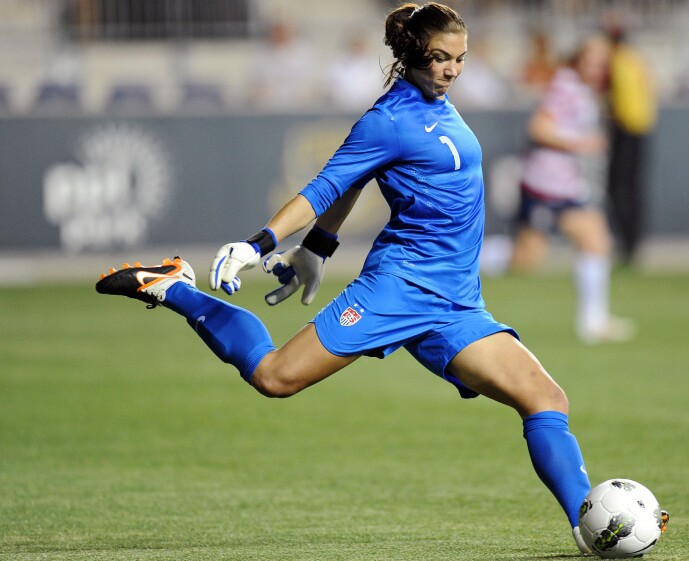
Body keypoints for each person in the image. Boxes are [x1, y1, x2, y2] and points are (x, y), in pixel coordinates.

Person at [95, 3, 607, 555]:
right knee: (274, 377)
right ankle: (175, 287)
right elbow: (324, 185)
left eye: (460, 58)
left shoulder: (439, 102)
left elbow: (357, 185)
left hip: (458, 303)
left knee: (546, 399)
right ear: (412, 55)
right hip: (399, 290)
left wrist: (318, 247)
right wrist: (258, 243)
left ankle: (589, 529)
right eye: (440, 58)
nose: (452, 70)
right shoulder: (387, 120)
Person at [509, 36, 634, 345]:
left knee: (595, 240)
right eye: (591, 60)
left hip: (566, 185)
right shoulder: (565, 87)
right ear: (578, 59)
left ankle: (593, 322)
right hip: (548, 184)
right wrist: (581, 144)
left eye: (602, 62)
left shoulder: (583, 90)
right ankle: (458, 254)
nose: (597, 67)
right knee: (523, 260)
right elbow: (539, 127)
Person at [603, 17, 657, 265]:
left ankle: (628, 244)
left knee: (619, 189)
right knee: (632, 189)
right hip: (642, 127)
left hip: (625, 129)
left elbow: (610, 96)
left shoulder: (616, 60)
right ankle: (633, 243)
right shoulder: (634, 58)